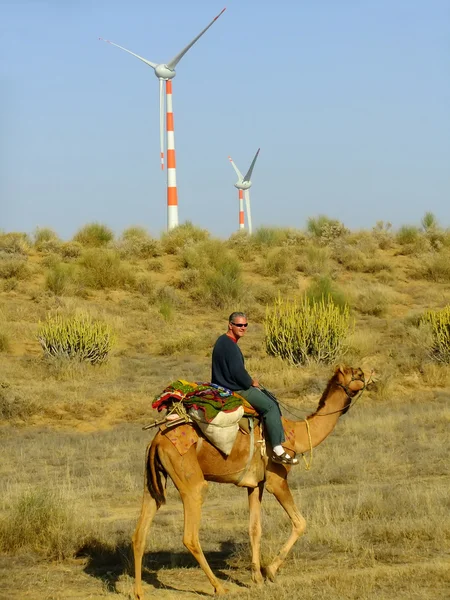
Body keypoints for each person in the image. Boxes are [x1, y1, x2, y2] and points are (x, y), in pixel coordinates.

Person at [211, 312, 299, 466]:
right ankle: (278, 450)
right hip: (235, 389)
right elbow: (237, 372)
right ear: (230, 325)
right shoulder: (230, 346)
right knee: (271, 406)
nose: (243, 328)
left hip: (222, 385)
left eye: (245, 325)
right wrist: (250, 382)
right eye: (239, 325)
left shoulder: (222, 341)